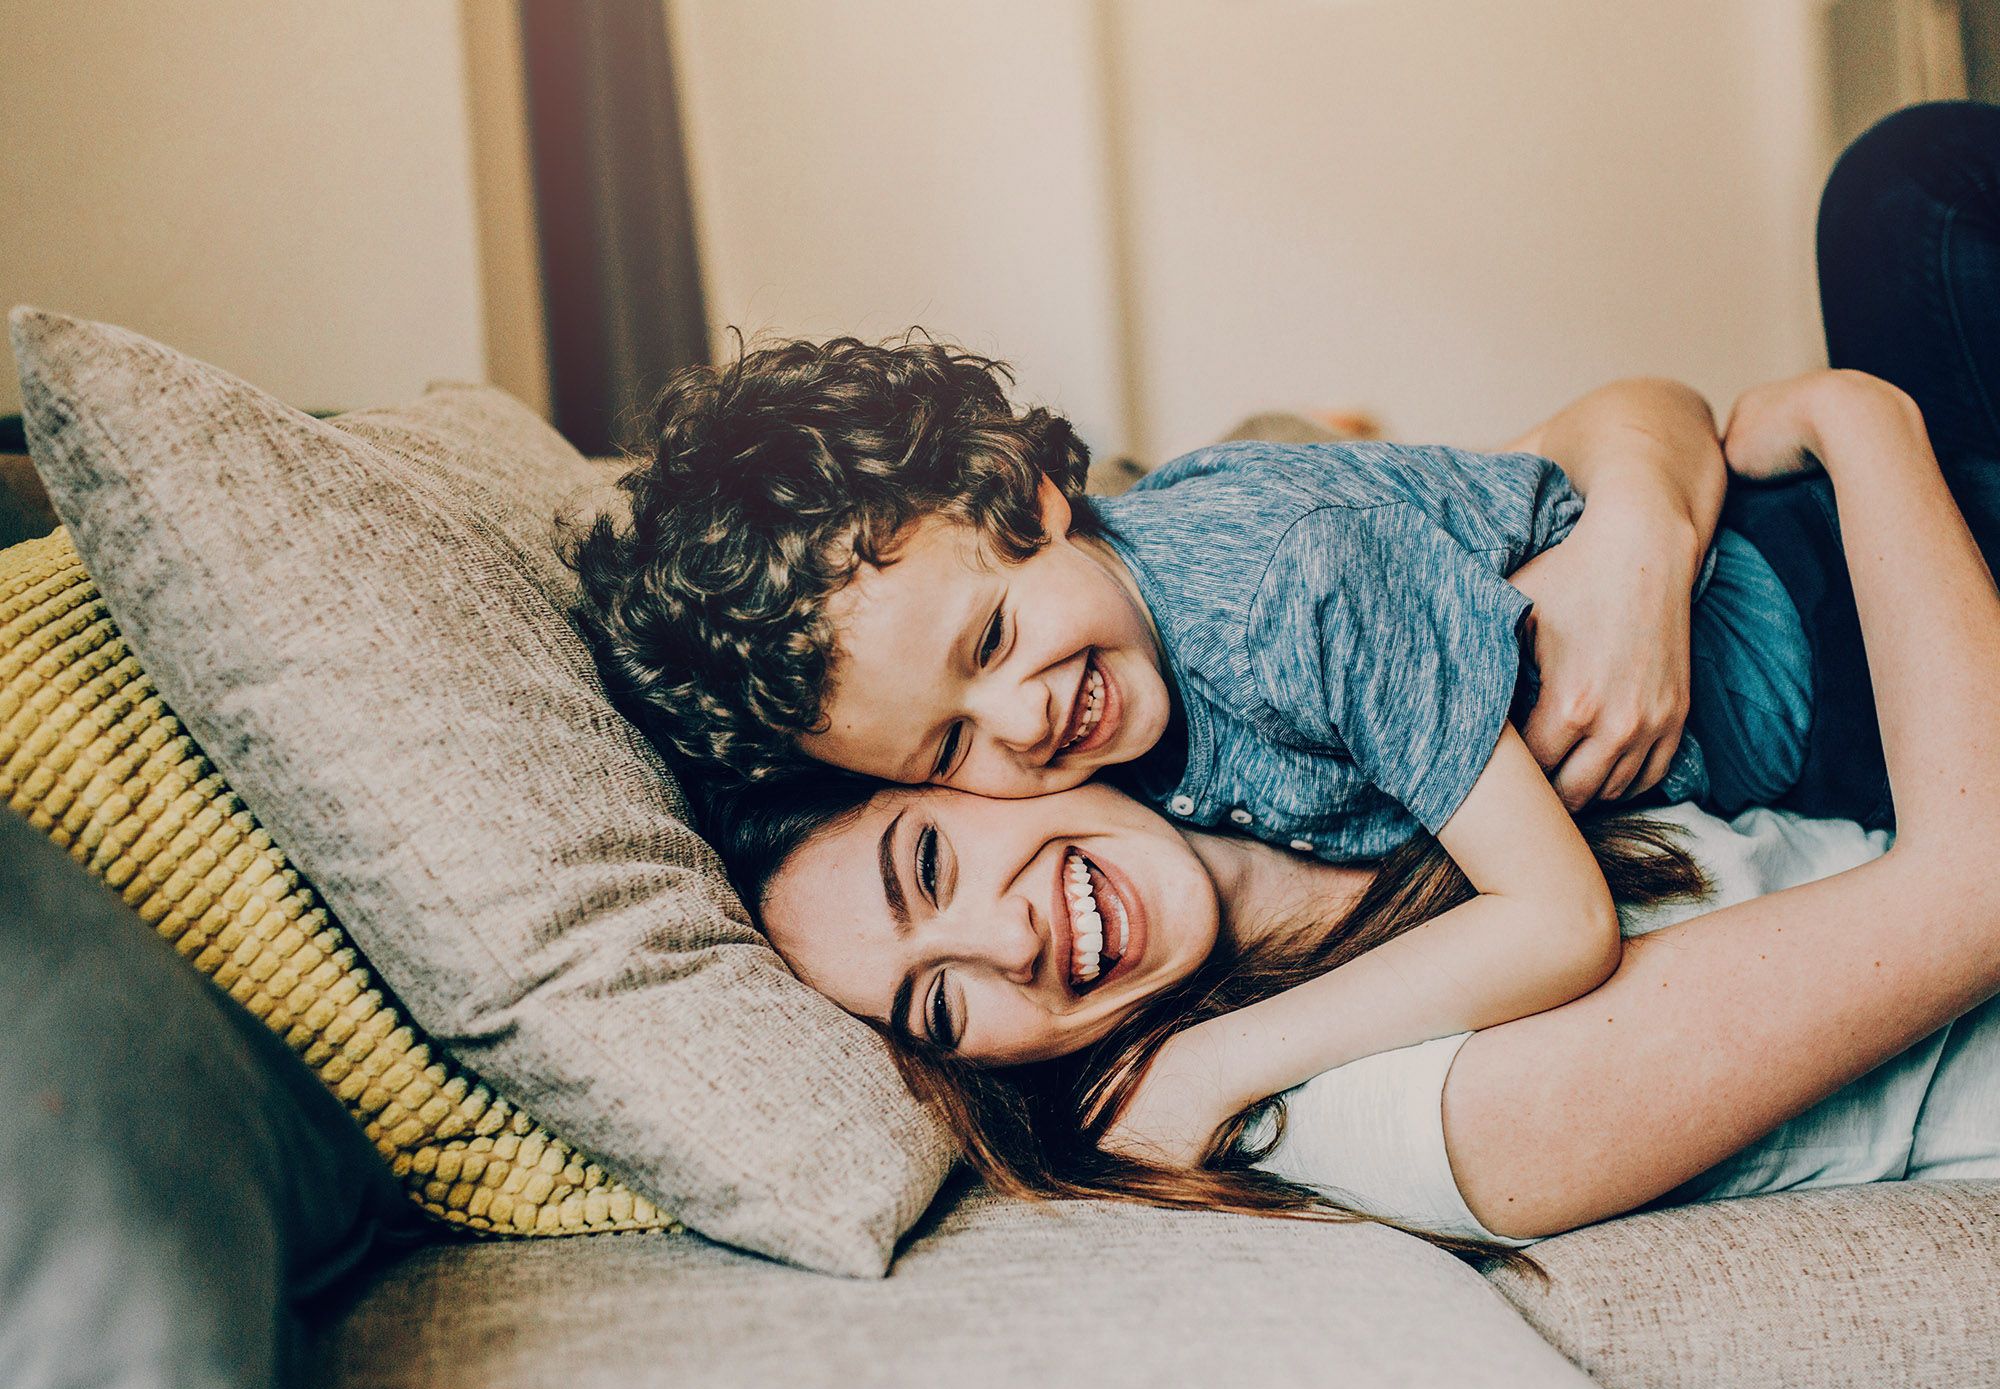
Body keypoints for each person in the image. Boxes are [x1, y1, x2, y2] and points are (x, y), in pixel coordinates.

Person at [692, 101, 2000, 1246]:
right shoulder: (1328, 1080)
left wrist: (1647, 541)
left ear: (1038, 502)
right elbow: (1971, 887)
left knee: (1906, 190)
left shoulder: (1252, 609)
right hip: (1891, 673)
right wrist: (1852, 423)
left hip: (1824, 588)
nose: (1007, 934)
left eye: (929, 862)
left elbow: (1607, 437)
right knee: (1910, 193)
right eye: (933, 1009)